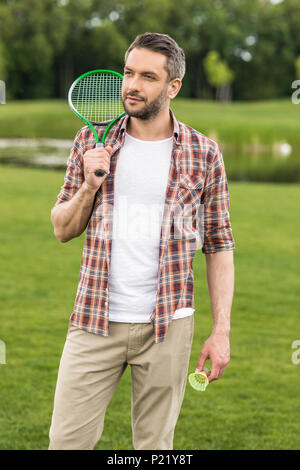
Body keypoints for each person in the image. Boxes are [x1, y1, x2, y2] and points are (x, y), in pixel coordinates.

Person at [48, 32, 235, 450]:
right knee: (65, 443)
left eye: (147, 76)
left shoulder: (204, 153)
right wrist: (88, 186)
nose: (132, 85)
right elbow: (62, 228)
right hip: (94, 320)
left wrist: (220, 331)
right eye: (128, 72)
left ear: (173, 87)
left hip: (168, 325)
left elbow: (219, 245)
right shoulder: (91, 142)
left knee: (155, 448)